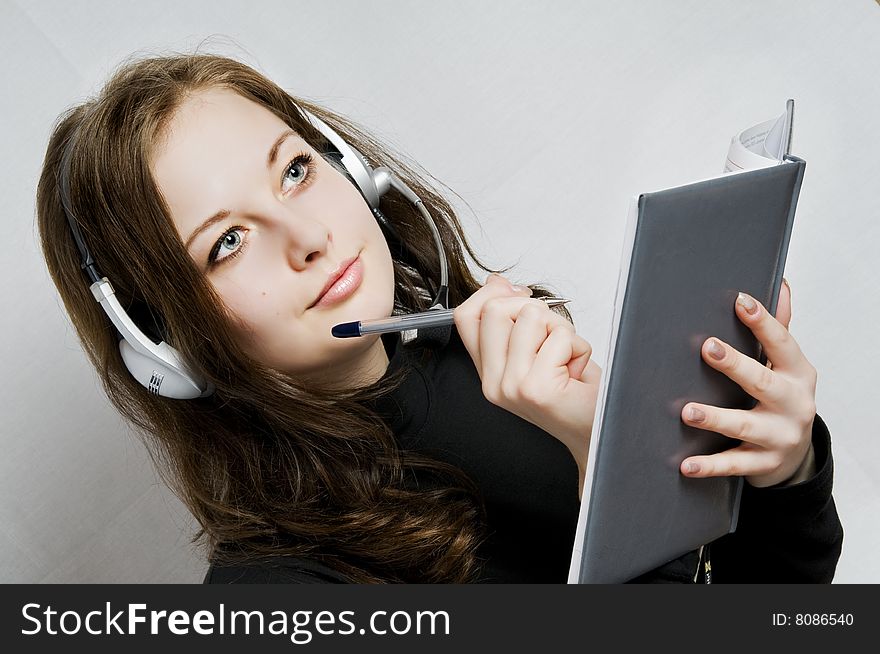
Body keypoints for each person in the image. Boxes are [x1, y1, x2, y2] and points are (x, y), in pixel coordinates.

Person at [36, 52, 843, 584]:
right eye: (229, 242)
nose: (310, 237)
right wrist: (614, 473)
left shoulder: (487, 359)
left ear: (350, 167)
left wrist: (782, 471)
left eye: (293, 171)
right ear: (162, 346)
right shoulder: (273, 591)